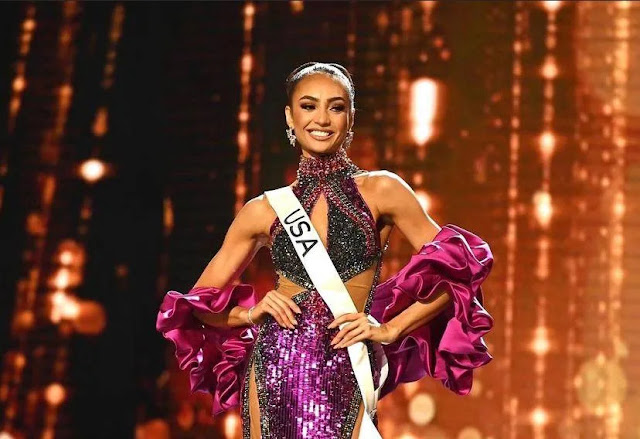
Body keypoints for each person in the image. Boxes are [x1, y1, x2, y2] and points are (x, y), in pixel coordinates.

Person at [156, 62, 495, 439]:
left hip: (349, 363)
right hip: (273, 368)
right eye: (308, 106)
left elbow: (461, 268)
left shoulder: (383, 190)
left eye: (335, 107)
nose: (321, 118)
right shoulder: (263, 209)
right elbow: (197, 305)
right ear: (290, 116)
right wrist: (250, 313)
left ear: (351, 118)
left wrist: (391, 329)